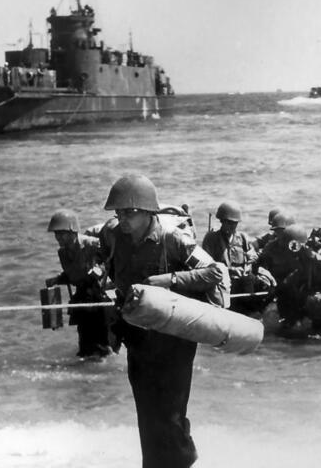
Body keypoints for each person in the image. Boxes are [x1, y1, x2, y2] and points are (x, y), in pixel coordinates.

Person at [98, 174, 229, 468]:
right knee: (147, 413)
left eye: (130, 213)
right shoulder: (113, 235)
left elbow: (214, 272)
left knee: (171, 415)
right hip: (137, 338)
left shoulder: (173, 239)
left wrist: (169, 279)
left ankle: (185, 462)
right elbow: (103, 261)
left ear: (148, 212)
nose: (124, 219)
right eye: (119, 213)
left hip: (174, 339)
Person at [45, 208, 111, 359]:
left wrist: (99, 270)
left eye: (62, 233)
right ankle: (88, 363)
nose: (58, 238)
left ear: (73, 231)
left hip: (97, 293)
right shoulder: (62, 252)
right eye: (56, 234)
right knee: (84, 339)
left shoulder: (91, 244)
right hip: (81, 295)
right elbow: (72, 274)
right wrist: (58, 279)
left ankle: (103, 363)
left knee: (100, 338)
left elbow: (109, 262)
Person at [202, 200, 270, 314]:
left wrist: (249, 262)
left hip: (242, 280)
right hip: (221, 280)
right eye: (229, 223)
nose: (232, 226)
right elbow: (206, 264)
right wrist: (231, 271)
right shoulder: (211, 239)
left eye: (235, 223)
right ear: (222, 221)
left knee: (261, 284)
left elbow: (252, 254)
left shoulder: (242, 238)